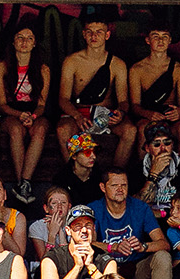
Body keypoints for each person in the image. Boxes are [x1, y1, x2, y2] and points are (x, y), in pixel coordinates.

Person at [89, 168, 174, 279]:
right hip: (106, 272)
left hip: (136, 270)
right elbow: (87, 243)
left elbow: (164, 244)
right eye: (114, 185)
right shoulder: (94, 209)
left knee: (162, 257)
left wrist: (143, 246)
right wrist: (111, 247)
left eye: (124, 185)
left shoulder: (140, 208)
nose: (120, 189)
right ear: (102, 187)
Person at [58, 14, 136, 168]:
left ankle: (114, 176)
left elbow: (123, 101)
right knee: (62, 130)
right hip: (79, 112)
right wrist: (77, 116)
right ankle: (73, 176)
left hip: (105, 113)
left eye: (99, 32)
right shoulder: (71, 61)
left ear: (107, 35)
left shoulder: (117, 64)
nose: (94, 36)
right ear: (84, 34)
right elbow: (63, 99)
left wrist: (120, 113)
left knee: (130, 130)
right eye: (89, 32)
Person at [0, 24, 51, 202]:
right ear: (13, 42)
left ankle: (25, 182)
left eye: (29, 38)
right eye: (20, 37)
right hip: (12, 112)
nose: (24, 42)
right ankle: (21, 182)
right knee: (16, 131)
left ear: (35, 43)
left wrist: (33, 117)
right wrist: (19, 116)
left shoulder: (43, 69)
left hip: (34, 112)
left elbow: (42, 104)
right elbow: (2, 104)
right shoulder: (2, 67)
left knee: (40, 130)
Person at [129, 21, 180, 162]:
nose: (160, 40)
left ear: (170, 40)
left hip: (170, 116)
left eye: (165, 36)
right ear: (147, 40)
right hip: (148, 115)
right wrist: (149, 114)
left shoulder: (179, 69)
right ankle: (145, 174)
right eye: (155, 36)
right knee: (142, 129)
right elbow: (134, 106)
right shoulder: (137, 69)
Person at [135, 124, 180, 213]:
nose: (163, 148)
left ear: (172, 145)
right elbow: (136, 206)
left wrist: (163, 214)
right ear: (147, 148)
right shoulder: (137, 170)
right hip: (148, 220)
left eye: (167, 143)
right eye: (157, 144)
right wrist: (153, 173)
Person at [52, 133, 105, 205]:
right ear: (74, 156)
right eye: (87, 152)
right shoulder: (62, 179)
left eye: (95, 151)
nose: (93, 156)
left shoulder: (100, 176)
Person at [30, 187, 73, 261]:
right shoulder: (36, 227)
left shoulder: (74, 226)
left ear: (69, 207)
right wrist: (52, 235)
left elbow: (68, 261)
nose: (59, 206)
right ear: (46, 208)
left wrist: (60, 231)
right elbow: (44, 259)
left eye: (63, 202)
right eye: (54, 203)